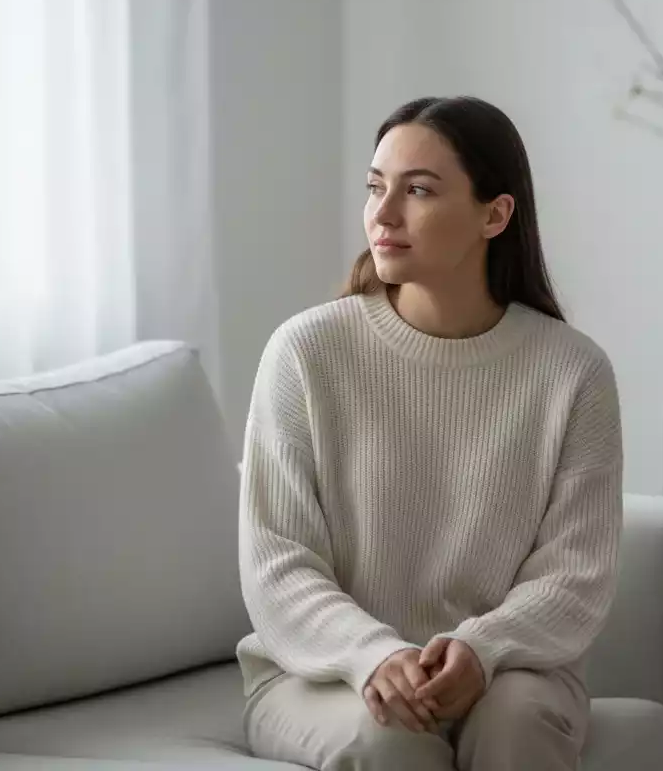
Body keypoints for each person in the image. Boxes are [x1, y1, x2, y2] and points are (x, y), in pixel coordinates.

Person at [237, 95, 624, 770]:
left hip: (509, 673)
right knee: (394, 743)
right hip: (321, 678)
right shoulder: (306, 353)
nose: (383, 214)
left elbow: (575, 574)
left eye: (417, 190)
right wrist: (373, 655)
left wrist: (485, 647)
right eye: (375, 187)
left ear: (494, 215)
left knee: (516, 729)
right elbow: (278, 565)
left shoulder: (574, 372)